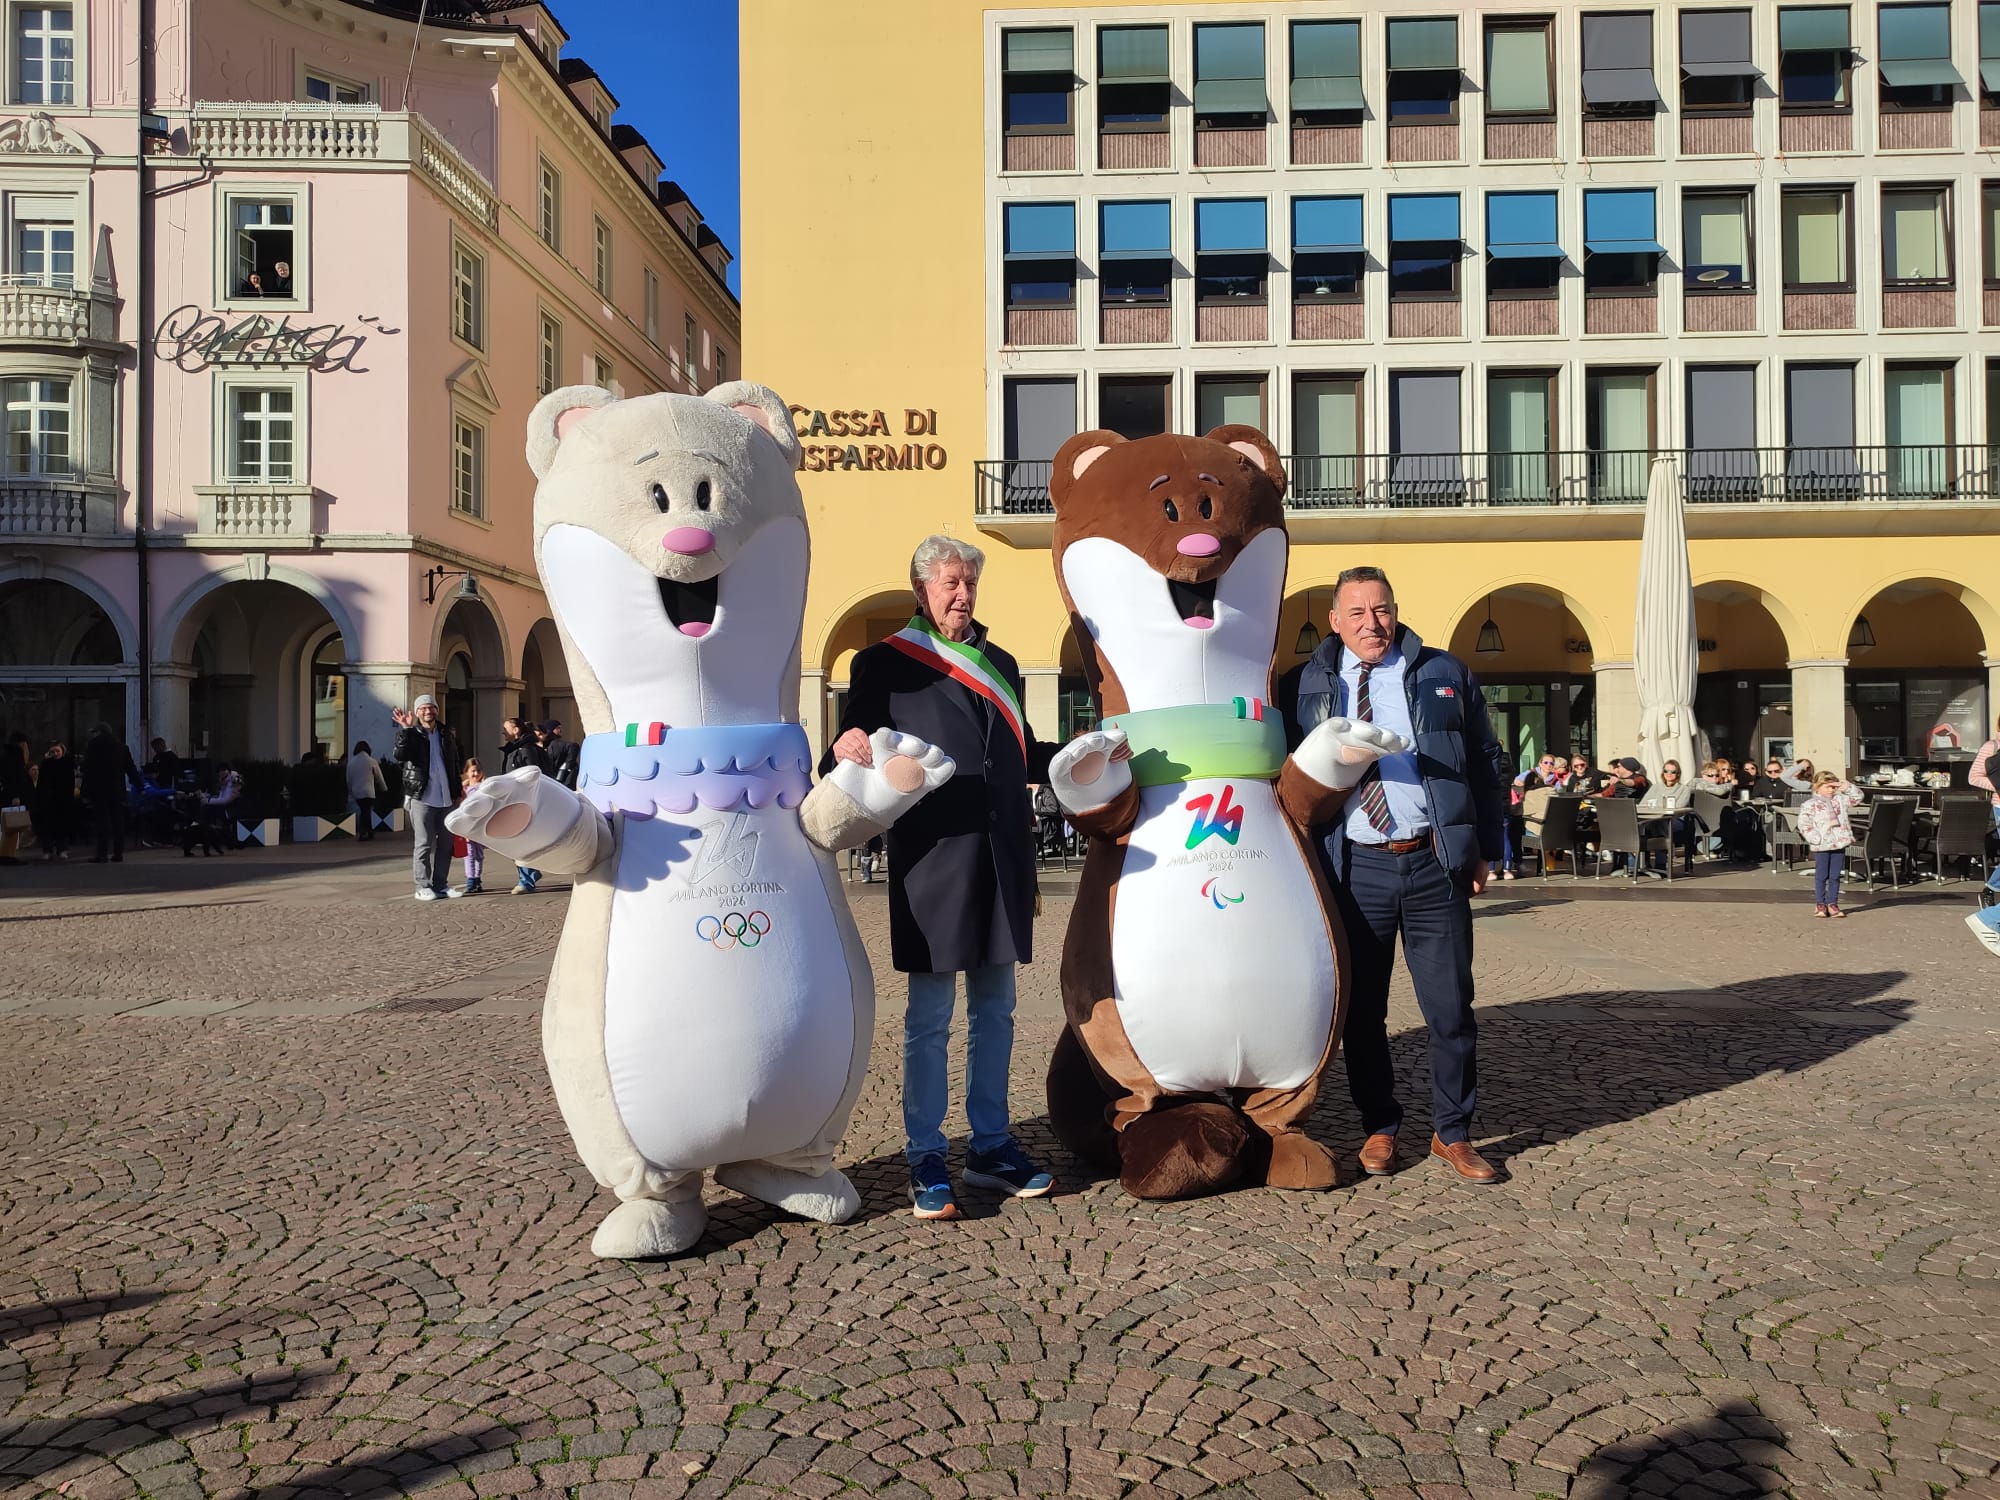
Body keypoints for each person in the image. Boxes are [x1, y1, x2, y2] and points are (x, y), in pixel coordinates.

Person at [822, 533, 1057, 1219]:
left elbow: (1020, 755)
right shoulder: (885, 663)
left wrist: (1084, 753)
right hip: (932, 859)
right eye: (950, 583)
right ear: (922, 589)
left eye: (969, 583)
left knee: (998, 1011)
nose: (962, 594)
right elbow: (845, 752)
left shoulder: (1002, 662)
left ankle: (990, 1146)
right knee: (929, 1019)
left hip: (1001, 857)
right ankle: (925, 1153)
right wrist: (845, 746)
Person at [1277, 565, 1506, 1185]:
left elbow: (1487, 762)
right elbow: (1281, 772)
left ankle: (1452, 1133)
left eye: (1381, 610)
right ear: (1334, 620)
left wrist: (1486, 844)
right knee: (1362, 1013)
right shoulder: (1304, 682)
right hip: (1355, 866)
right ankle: (1379, 1124)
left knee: (1451, 1008)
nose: (1372, 624)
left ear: (1395, 611)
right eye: (1357, 613)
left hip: (1434, 862)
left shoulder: (1443, 672)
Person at [393, 694, 467, 901]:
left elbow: (454, 763)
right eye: (423, 708)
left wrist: (457, 790)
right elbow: (400, 755)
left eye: (431, 708)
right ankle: (422, 886)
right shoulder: (412, 734)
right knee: (424, 843)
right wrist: (406, 730)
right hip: (421, 796)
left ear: (436, 710)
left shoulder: (446, 734)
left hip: (446, 797)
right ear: (417, 713)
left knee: (446, 844)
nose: (428, 711)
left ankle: (441, 884)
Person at [1798, 770, 1862, 918]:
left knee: (1834, 875)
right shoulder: (1810, 804)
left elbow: (1857, 797)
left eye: (1832, 787)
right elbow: (1803, 823)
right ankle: (1820, 903)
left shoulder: (1840, 800)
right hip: (1822, 844)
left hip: (1838, 842)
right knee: (1821, 875)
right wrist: (1814, 837)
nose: (1830, 790)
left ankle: (1832, 903)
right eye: (1827, 786)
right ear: (1817, 787)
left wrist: (1844, 786)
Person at [80, 723, 141, 864]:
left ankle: (102, 854)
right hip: (117, 789)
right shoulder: (121, 747)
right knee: (118, 821)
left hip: (100, 790)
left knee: (102, 822)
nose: (93, 735)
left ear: (99, 732)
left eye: (94, 732)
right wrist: (139, 785)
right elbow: (131, 769)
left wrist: (85, 792)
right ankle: (118, 853)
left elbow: (87, 769)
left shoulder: (93, 746)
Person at [497, 718, 546, 892]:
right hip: (514, 801)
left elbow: (533, 775)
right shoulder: (514, 750)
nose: (503, 732)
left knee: (519, 841)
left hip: (524, 802)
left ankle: (527, 878)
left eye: (506, 728)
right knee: (517, 840)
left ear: (516, 730)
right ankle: (530, 873)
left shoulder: (526, 750)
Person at [31, 740, 75, 861]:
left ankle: (61, 849)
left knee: (61, 826)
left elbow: (70, 783)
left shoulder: (67, 763)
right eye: (53, 751)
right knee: (47, 826)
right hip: (48, 799)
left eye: (57, 751)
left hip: (62, 799)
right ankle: (48, 850)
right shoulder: (46, 764)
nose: (55, 753)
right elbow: (41, 783)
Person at [346, 739, 387, 841]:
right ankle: (365, 831)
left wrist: (350, 791)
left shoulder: (351, 762)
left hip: (356, 791)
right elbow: (379, 776)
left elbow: (348, 779)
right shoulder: (371, 761)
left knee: (364, 811)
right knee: (366, 811)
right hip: (368, 791)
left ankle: (368, 831)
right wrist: (384, 788)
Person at [457, 759, 488, 894]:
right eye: (472, 771)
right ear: (466, 772)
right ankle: (471, 879)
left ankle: (477, 878)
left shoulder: (484, 786)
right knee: (469, 853)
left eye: (478, 771)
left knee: (479, 854)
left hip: (480, 824)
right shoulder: (464, 788)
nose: (475, 774)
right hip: (467, 825)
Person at [538, 718, 579, 790]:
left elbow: (574, 746)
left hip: (562, 781)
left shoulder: (556, 744)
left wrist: (567, 766)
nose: (560, 730)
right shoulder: (549, 745)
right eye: (557, 728)